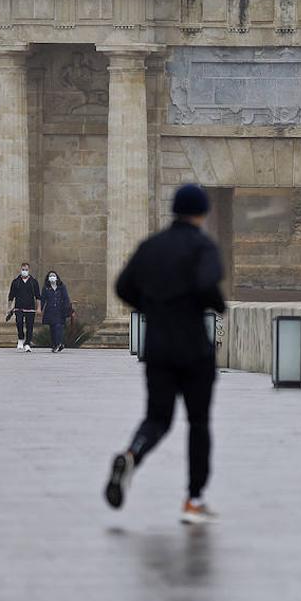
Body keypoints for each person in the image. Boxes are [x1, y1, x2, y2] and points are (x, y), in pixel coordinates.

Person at [104, 183, 227, 524]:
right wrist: (216, 304)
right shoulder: (203, 246)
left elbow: (122, 286)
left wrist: (151, 307)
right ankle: (193, 500)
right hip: (193, 349)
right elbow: (207, 285)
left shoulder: (151, 246)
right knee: (198, 423)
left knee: (157, 418)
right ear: (202, 212)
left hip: (157, 346)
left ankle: (132, 454)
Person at [8, 262, 40, 352]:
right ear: (20, 270)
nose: (24, 271)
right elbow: (11, 296)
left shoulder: (33, 282)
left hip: (30, 308)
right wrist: (9, 307)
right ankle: (20, 338)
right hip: (19, 307)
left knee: (30, 326)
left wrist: (38, 308)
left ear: (29, 270)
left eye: (26, 270)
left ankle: (28, 343)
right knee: (19, 322)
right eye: (23, 269)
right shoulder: (16, 282)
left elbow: (38, 296)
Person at [40, 270, 74, 353]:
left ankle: (59, 343)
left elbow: (66, 298)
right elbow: (43, 300)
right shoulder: (46, 288)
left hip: (60, 310)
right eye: (50, 276)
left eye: (54, 275)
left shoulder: (62, 287)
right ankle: (55, 344)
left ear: (57, 277)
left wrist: (69, 309)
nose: (52, 277)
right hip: (50, 311)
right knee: (52, 328)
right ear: (48, 278)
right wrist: (39, 309)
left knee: (59, 327)